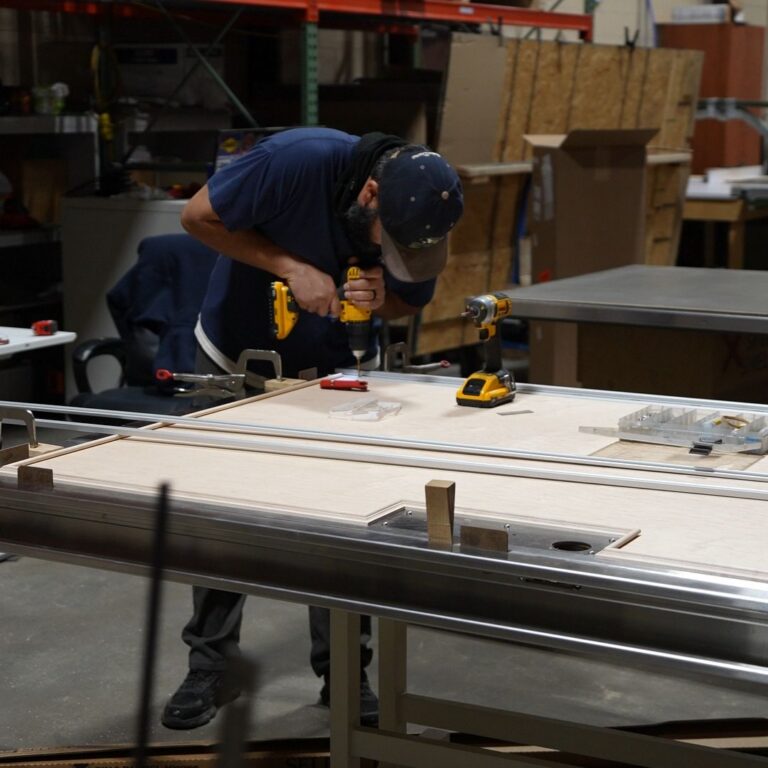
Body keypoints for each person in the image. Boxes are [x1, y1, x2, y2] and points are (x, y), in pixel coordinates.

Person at [160, 127, 464, 730]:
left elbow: (410, 301)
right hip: (236, 355)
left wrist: (383, 298)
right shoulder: (295, 162)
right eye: (389, 245)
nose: (394, 253)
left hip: (331, 372)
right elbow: (196, 218)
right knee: (223, 517)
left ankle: (346, 674)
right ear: (371, 192)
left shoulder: (419, 210)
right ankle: (209, 664)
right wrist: (289, 266)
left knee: (342, 524)